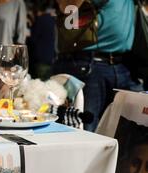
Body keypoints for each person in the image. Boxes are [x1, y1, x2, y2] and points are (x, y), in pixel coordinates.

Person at [54, 0, 140, 132]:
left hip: (124, 65)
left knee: (131, 131)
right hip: (89, 64)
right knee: (85, 129)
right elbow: (66, 7)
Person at [27, 1, 56, 80]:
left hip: (41, 58)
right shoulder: (53, 20)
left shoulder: (40, 20)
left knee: (40, 83)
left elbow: (33, 39)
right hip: (52, 58)